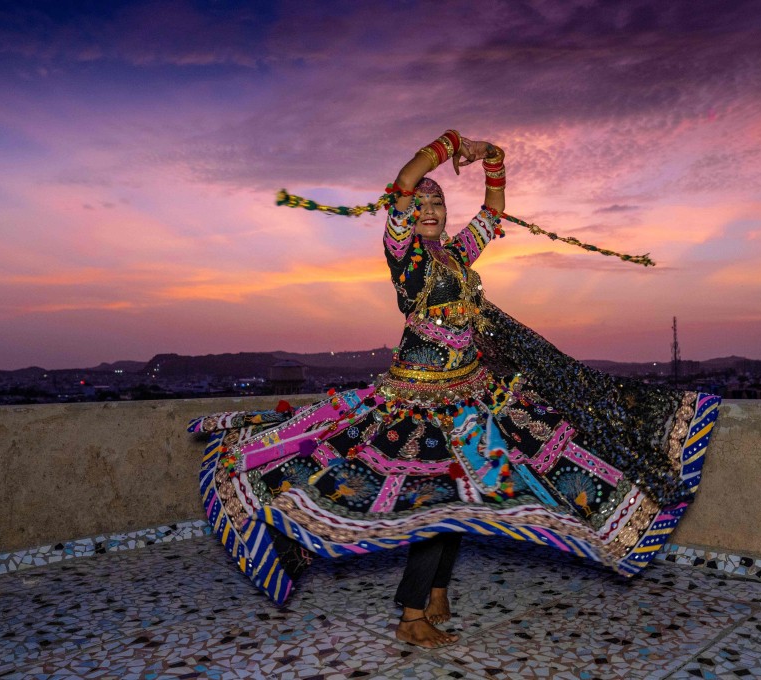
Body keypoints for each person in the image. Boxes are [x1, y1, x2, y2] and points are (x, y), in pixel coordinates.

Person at [189, 130, 721, 649]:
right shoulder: (405, 255)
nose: (428, 209)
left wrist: (493, 160)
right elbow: (405, 180)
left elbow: (492, 212)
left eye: (438, 203)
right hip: (416, 404)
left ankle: (437, 590)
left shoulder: (457, 255)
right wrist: (451, 145)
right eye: (420, 204)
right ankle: (411, 615)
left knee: (464, 495)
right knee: (431, 502)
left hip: (469, 396)